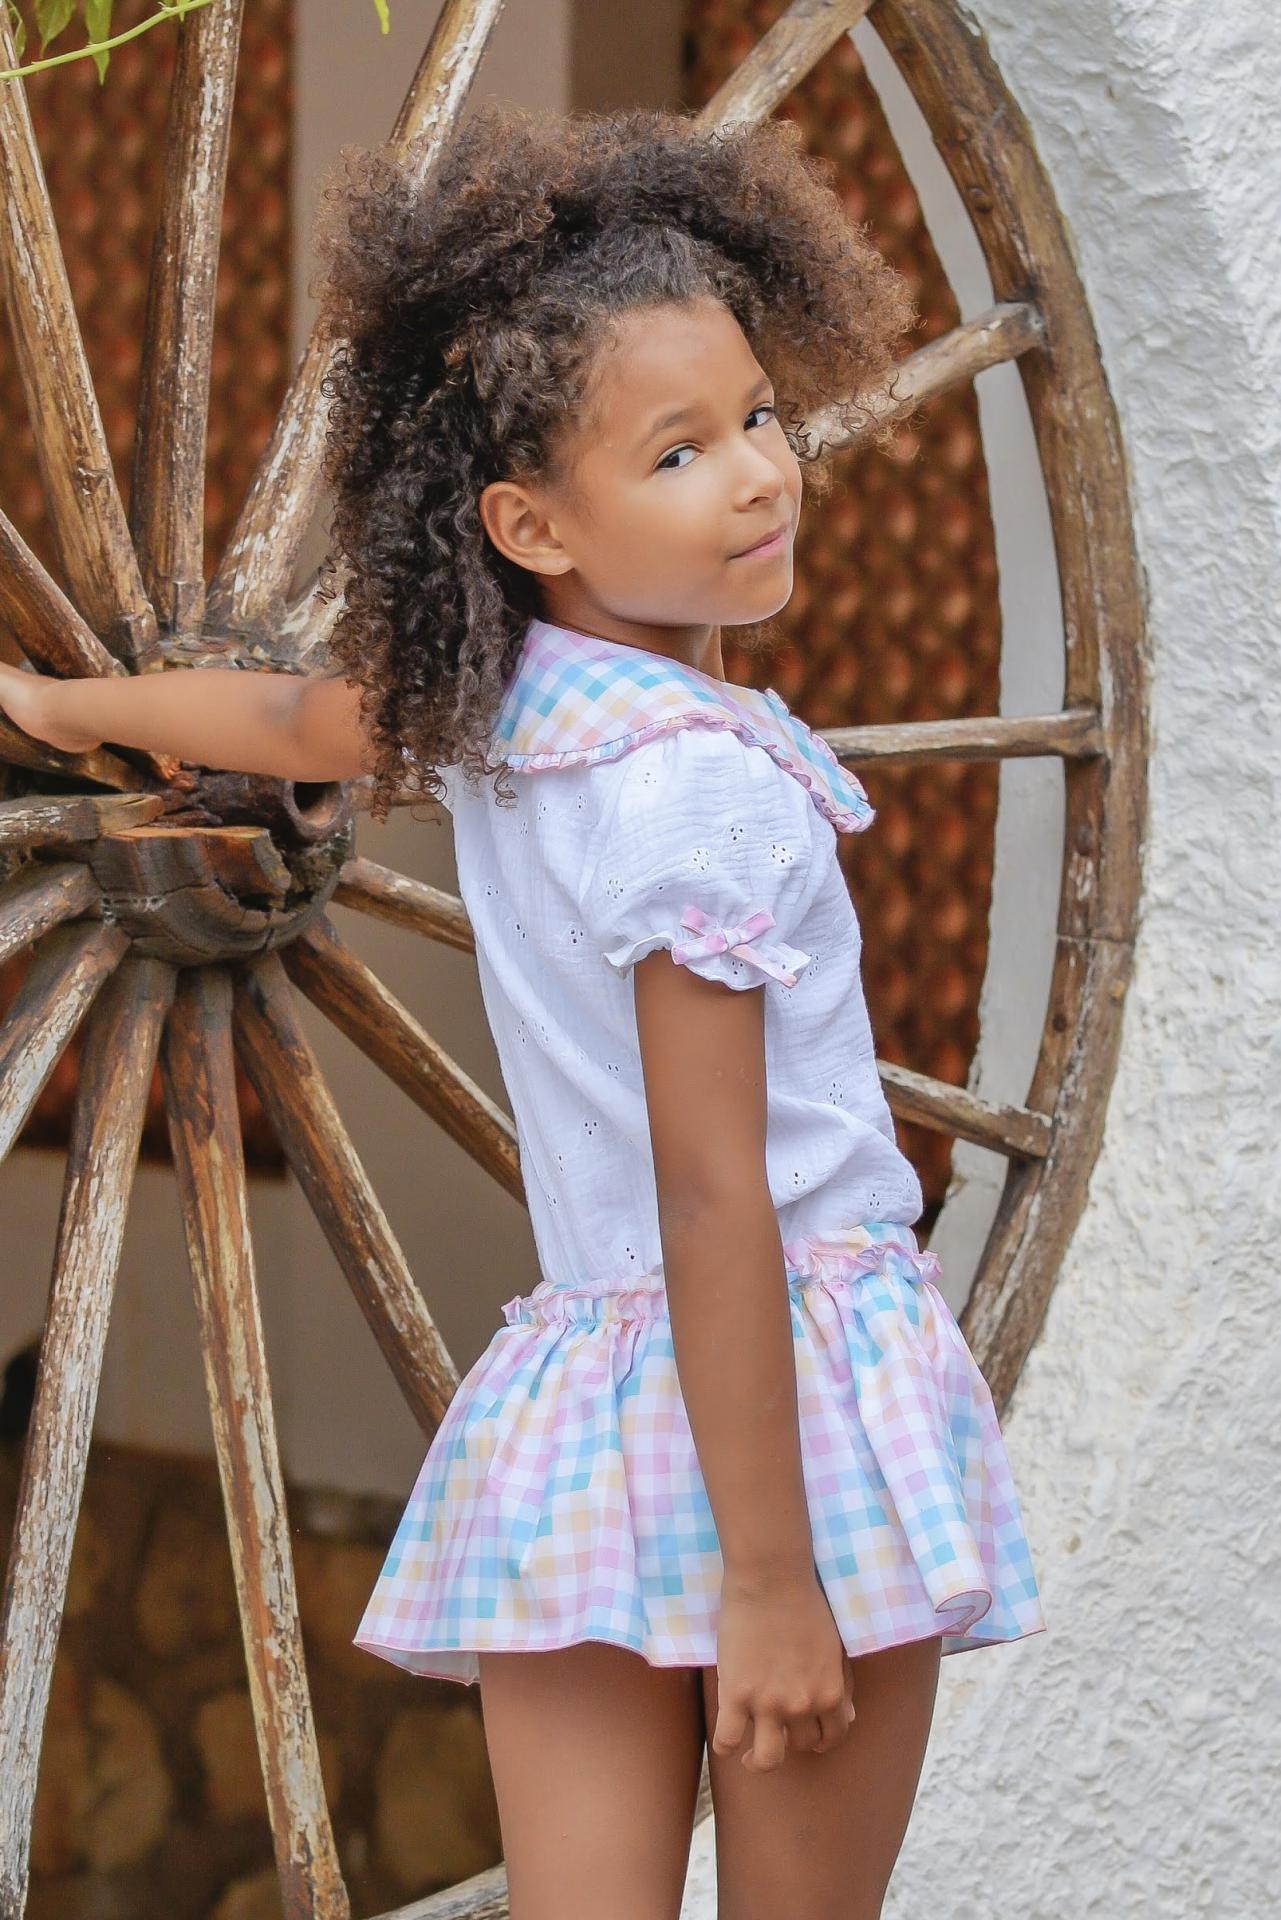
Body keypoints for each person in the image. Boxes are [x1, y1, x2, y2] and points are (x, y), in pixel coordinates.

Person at [0, 105, 1046, 1920]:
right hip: (800, 1408)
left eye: (757, 418)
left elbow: (292, 720)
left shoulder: (504, 716)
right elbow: (713, 1195)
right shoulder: (695, 793)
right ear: (528, 523)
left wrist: (64, 709)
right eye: (679, 451)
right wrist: (770, 1582)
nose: (759, 476)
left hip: (594, 1409)